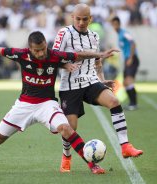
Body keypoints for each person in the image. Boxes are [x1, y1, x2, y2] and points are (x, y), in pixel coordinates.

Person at [0, 31, 118, 175]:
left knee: (66, 128)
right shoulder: (20, 54)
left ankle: (92, 165)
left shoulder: (54, 55)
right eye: (37, 51)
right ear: (30, 48)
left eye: (43, 48)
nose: (41, 53)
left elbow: (79, 55)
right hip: (24, 105)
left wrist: (100, 54)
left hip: (47, 104)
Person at [52, 4, 143, 173]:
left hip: (90, 81)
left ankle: (125, 146)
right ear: (72, 17)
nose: (81, 22)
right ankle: (66, 156)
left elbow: (97, 61)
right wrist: (65, 66)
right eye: (78, 19)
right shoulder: (64, 33)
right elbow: (53, 56)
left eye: (85, 19)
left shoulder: (94, 36)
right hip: (69, 86)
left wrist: (102, 80)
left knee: (114, 101)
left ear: (90, 19)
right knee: (70, 127)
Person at [111, 16, 140, 110]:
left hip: (132, 59)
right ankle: (131, 103)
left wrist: (131, 58)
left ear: (119, 24)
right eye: (113, 24)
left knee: (129, 81)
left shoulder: (124, 33)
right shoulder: (119, 35)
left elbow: (133, 43)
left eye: (116, 24)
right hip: (127, 59)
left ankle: (134, 103)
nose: (115, 26)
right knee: (125, 82)